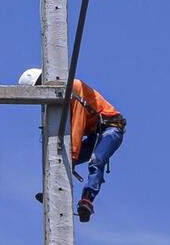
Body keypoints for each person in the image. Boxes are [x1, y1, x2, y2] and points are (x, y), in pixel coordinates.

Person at [20, 68, 125, 222]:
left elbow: (78, 124)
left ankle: (87, 200)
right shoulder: (61, 98)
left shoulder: (73, 88)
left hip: (112, 128)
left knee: (96, 161)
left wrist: (72, 156)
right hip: (94, 133)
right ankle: (53, 190)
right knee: (61, 157)